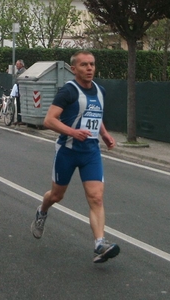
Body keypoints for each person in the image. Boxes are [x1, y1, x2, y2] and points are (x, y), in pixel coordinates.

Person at [30, 50, 120, 264]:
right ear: (74, 69)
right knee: (56, 196)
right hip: (68, 152)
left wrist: (105, 135)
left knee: (96, 197)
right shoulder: (67, 92)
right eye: (84, 65)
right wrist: (73, 132)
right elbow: (49, 120)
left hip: (90, 152)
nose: (89, 68)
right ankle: (42, 211)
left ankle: (100, 243)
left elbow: (95, 116)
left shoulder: (100, 91)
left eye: (92, 64)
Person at [10, 59, 26, 125]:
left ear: (21, 65)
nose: (16, 65)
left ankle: (22, 120)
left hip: (21, 90)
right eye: (16, 64)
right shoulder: (19, 71)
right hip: (18, 89)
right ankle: (18, 119)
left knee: (21, 104)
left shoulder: (24, 71)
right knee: (18, 105)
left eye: (18, 64)